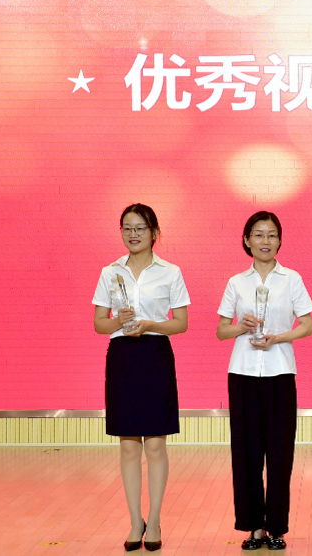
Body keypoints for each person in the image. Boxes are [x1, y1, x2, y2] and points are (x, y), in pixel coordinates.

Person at [92, 203, 190, 552]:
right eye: (127, 228)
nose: (133, 234)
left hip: (155, 354)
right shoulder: (109, 272)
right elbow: (99, 324)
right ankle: (136, 521)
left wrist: (150, 324)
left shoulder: (170, 272)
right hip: (122, 357)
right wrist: (119, 321)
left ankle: (156, 519)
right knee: (128, 444)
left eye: (140, 228)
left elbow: (181, 323)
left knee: (157, 444)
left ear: (154, 233)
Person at [216, 211, 312, 551]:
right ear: (247, 240)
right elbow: (221, 331)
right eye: (258, 235)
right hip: (243, 374)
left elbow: (307, 325)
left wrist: (278, 337)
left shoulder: (292, 279)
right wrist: (241, 327)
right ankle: (253, 527)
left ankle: (276, 527)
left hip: (280, 373)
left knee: (279, 453)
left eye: (272, 235)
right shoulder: (236, 282)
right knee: (246, 454)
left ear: (280, 240)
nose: (265, 241)